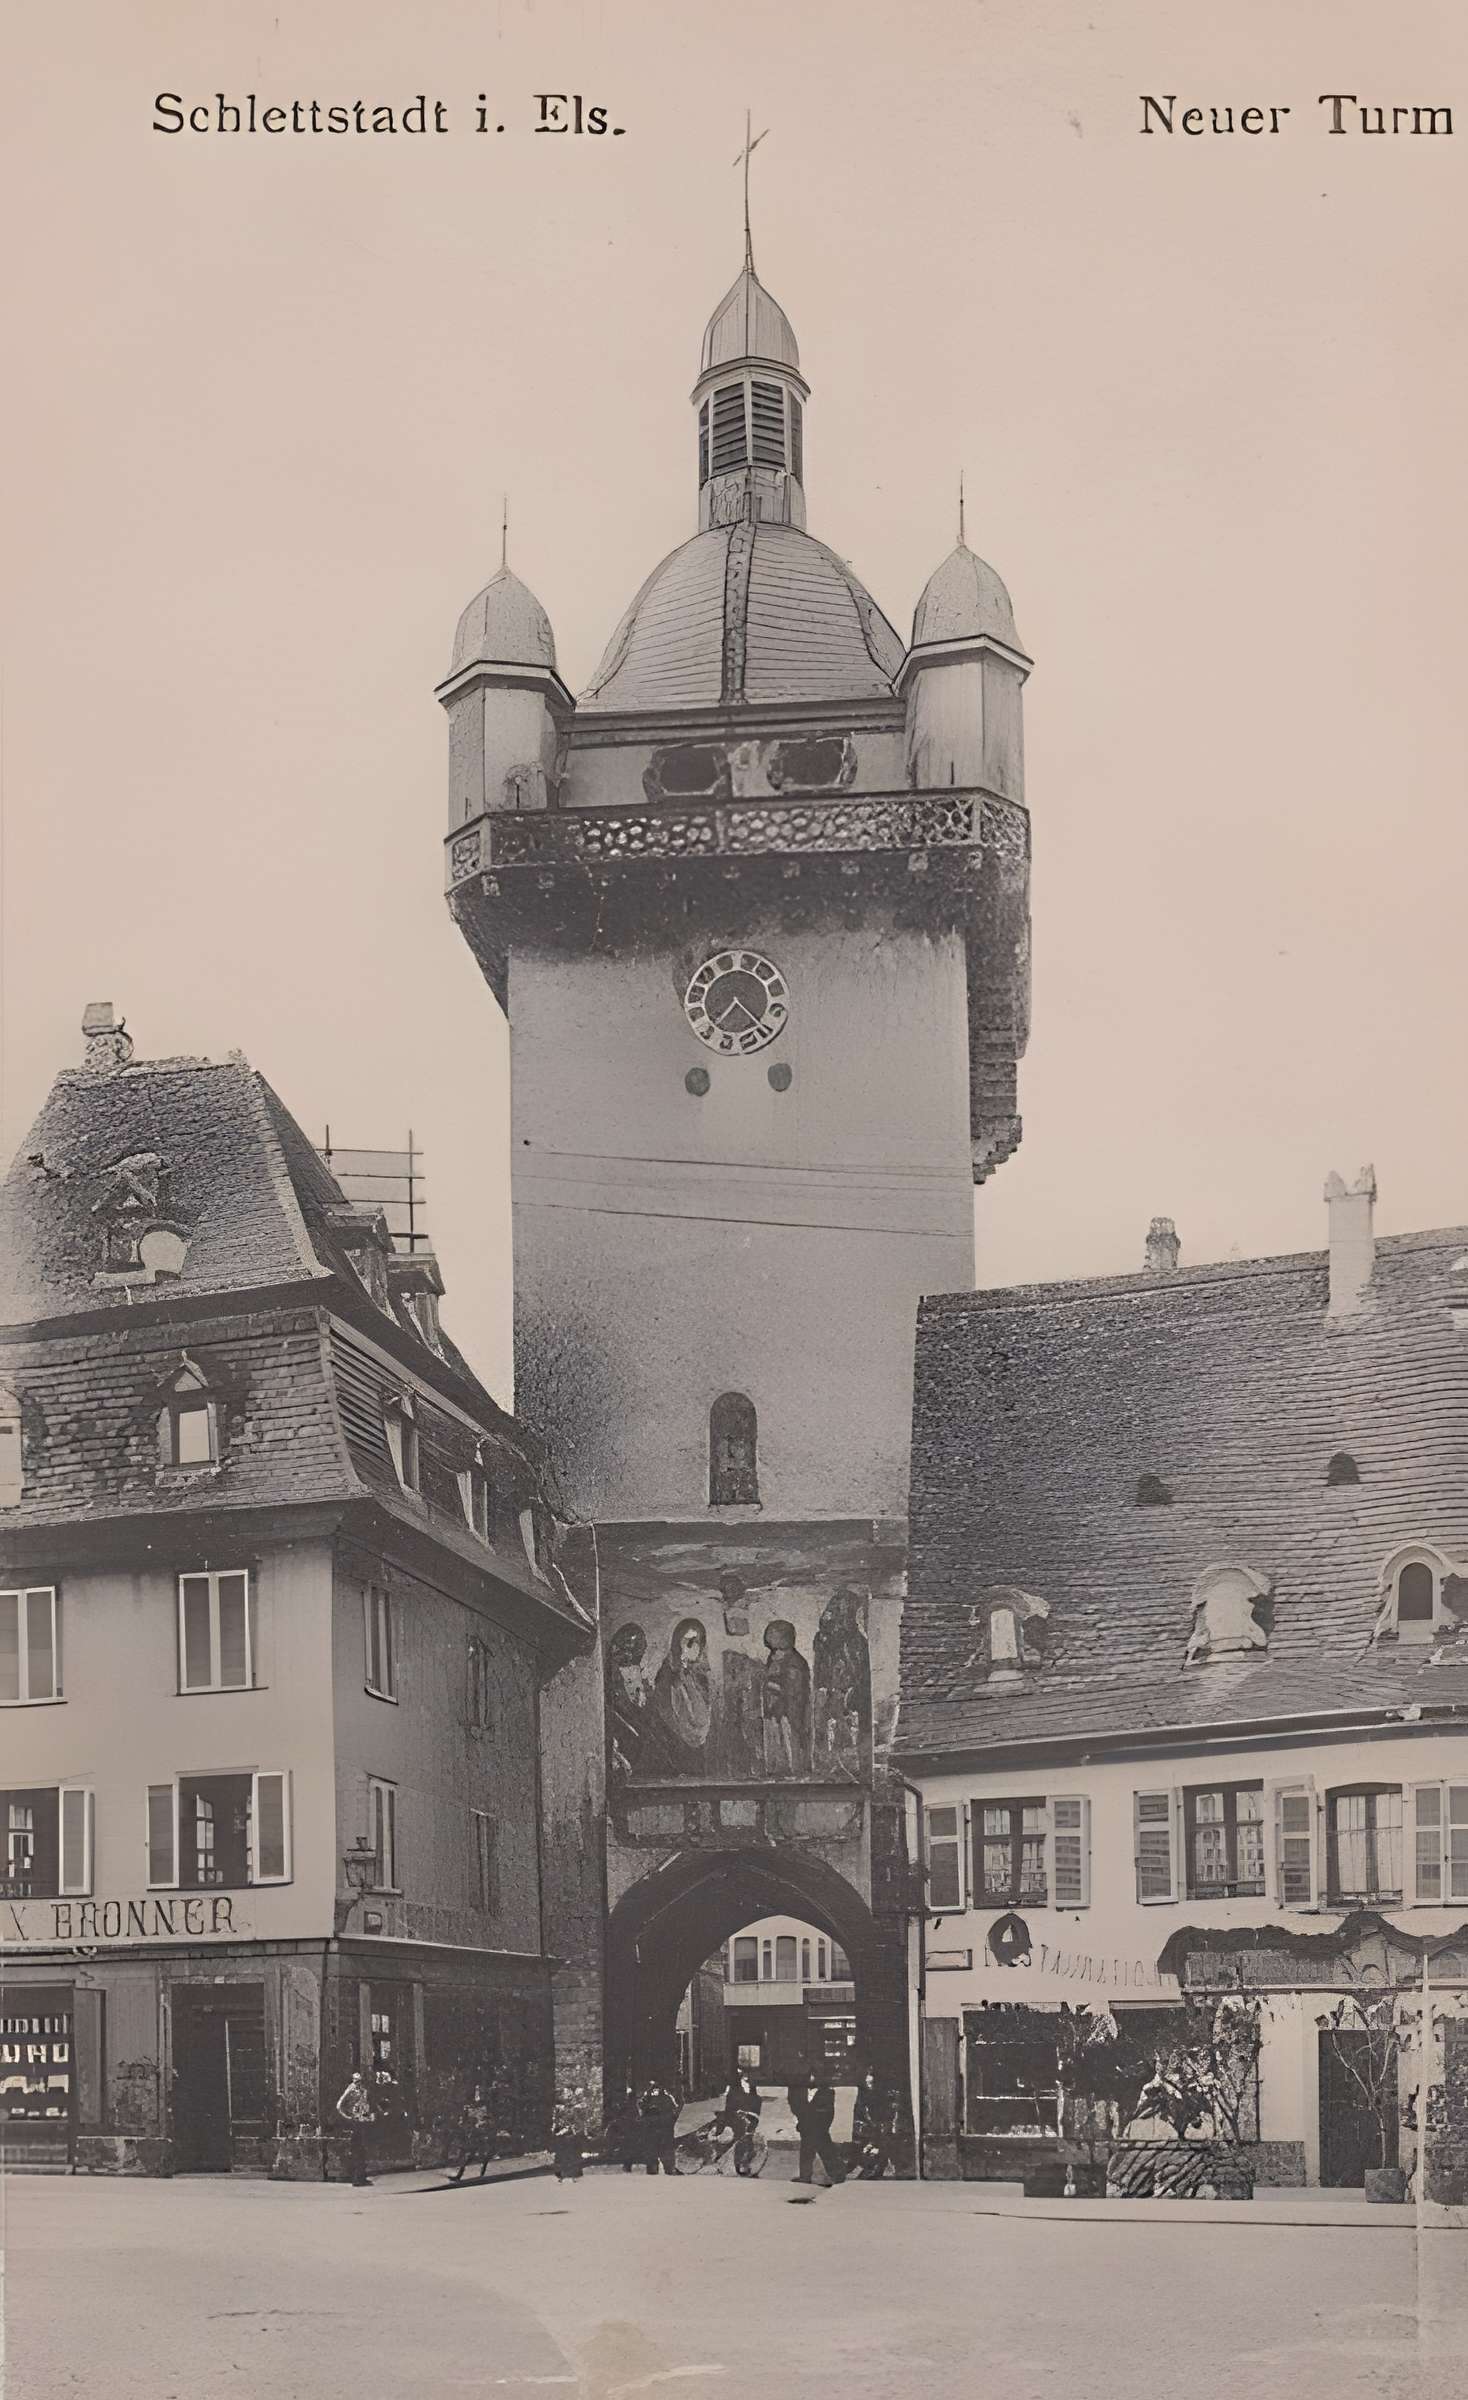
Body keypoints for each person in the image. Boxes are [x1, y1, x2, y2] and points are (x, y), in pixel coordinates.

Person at [791, 2070, 845, 2187]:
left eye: (812, 2077)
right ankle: (806, 2177)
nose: (810, 2080)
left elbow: (826, 2114)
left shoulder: (827, 2093)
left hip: (817, 2129)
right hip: (810, 2128)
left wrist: (819, 2127)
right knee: (811, 2152)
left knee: (824, 2152)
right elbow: (803, 2111)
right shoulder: (803, 2092)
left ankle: (837, 2175)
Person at [716, 2064, 764, 2174]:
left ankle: (745, 2162)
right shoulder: (734, 2089)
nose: (743, 2077)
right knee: (739, 2140)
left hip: (749, 2117)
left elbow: (756, 2102)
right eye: (740, 2075)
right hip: (738, 2118)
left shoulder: (751, 2088)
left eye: (743, 2075)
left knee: (747, 2139)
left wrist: (751, 2114)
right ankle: (738, 2164)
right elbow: (730, 2105)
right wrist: (736, 2113)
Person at [850, 2068, 896, 2179]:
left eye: (871, 2083)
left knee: (878, 2149)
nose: (869, 2086)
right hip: (869, 2130)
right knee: (870, 2149)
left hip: (879, 2129)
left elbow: (886, 2115)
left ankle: (876, 2169)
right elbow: (860, 2113)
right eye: (867, 2083)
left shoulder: (882, 2098)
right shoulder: (863, 2098)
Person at [335, 2067, 374, 2187]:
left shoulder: (363, 2090)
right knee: (357, 2149)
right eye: (356, 2080)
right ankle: (357, 2178)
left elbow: (366, 2105)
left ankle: (362, 2176)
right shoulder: (351, 2089)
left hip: (363, 2120)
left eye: (359, 2080)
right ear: (352, 2080)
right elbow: (339, 2105)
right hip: (356, 2121)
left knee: (362, 2149)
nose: (358, 2082)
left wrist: (369, 2115)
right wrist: (347, 2116)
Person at [450, 2086, 493, 2184]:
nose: (477, 2096)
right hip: (473, 2135)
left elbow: (489, 2120)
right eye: (476, 2093)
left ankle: (483, 2172)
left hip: (481, 2135)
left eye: (479, 2093)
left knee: (483, 2155)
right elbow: (463, 2121)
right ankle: (459, 2175)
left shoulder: (484, 2107)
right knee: (468, 2156)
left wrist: (484, 2125)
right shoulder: (468, 2108)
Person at [639, 2077, 680, 2175]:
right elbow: (641, 2107)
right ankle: (654, 2168)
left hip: (663, 2127)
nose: (655, 2090)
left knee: (665, 2148)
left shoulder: (667, 2098)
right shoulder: (647, 2098)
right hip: (653, 2128)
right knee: (653, 2148)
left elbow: (674, 2111)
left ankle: (668, 2168)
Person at [604, 2085, 643, 2173]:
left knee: (627, 2144)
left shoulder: (630, 2105)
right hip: (626, 2125)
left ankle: (612, 2152)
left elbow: (634, 2115)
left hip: (628, 2125)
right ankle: (612, 2152)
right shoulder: (625, 2104)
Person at [551, 2086, 586, 2181]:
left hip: (569, 2133)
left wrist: (572, 2129)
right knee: (562, 2154)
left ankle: (572, 2174)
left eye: (569, 2094)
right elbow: (555, 2120)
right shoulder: (558, 2108)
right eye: (566, 2094)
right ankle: (562, 2174)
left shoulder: (573, 2109)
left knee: (571, 2154)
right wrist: (555, 2129)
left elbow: (576, 2121)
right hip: (562, 2134)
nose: (568, 2096)